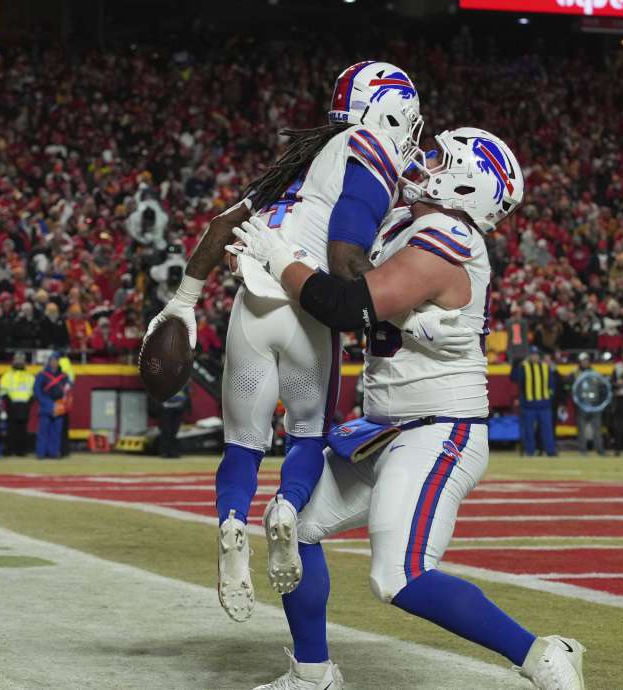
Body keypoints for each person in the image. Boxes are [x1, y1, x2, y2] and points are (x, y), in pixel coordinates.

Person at [231, 128, 584, 690]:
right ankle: (313, 674)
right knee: (292, 527)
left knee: (399, 574)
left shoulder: (449, 235)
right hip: (384, 426)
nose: (426, 160)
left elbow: (346, 305)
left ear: (466, 185)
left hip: (439, 427)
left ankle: (542, 654)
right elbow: (341, 261)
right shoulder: (404, 222)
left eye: (443, 158)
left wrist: (278, 259)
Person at [146, 61, 423, 621]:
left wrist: (183, 301)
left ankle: (230, 523)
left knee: (242, 443)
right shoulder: (372, 147)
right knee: (306, 436)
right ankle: (287, 508)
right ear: (389, 111)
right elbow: (346, 258)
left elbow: (221, 226)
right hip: (306, 307)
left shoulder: (298, 162)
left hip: (251, 305)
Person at [511, 347, 557, 457]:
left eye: (536, 354)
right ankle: (530, 451)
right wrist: (515, 362)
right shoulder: (523, 367)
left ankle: (550, 451)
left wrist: (548, 398)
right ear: (529, 356)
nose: (535, 357)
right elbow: (515, 379)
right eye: (533, 354)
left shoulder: (546, 367)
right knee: (528, 430)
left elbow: (552, 385)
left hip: (544, 405)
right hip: (528, 405)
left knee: (547, 430)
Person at [570, 352, 607, 456]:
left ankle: (600, 450)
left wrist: (600, 402)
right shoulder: (575, 373)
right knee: (581, 429)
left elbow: (602, 387)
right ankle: (582, 450)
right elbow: (570, 388)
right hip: (581, 405)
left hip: (595, 405)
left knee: (597, 429)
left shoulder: (595, 373)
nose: (585, 362)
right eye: (583, 361)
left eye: (586, 360)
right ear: (579, 362)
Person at [32, 354, 67, 459]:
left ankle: (54, 452)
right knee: (43, 431)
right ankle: (41, 453)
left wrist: (64, 402)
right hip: (46, 404)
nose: (53, 363)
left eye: (55, 361)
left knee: (56, 431)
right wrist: (47, 403)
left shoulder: (64, 376)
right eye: (51, 361)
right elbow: (37, 390)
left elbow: (67, 390)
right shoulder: (42, 375)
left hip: (60, 404)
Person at [0, 352, 35, 455]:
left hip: (25, 405)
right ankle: (10, 449)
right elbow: (3, 391)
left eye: (21, 360)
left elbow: (33, 391)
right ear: (13, 361)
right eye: (17, 359)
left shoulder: (29, 376)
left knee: (23, 429)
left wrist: (29, 403)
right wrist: (9, 404)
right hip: (12, 405)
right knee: (11, 429)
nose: (19, 362)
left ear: (24, 362)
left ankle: (22, 451)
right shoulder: (7, 376)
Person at [156, 383, 190, 459]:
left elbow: (187, 395)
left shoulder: (183, 381)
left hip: (178, 409)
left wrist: (183, 405)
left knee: (175, 431)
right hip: (166, 410)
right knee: (166, 430)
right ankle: (164, 452)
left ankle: (174, 452)